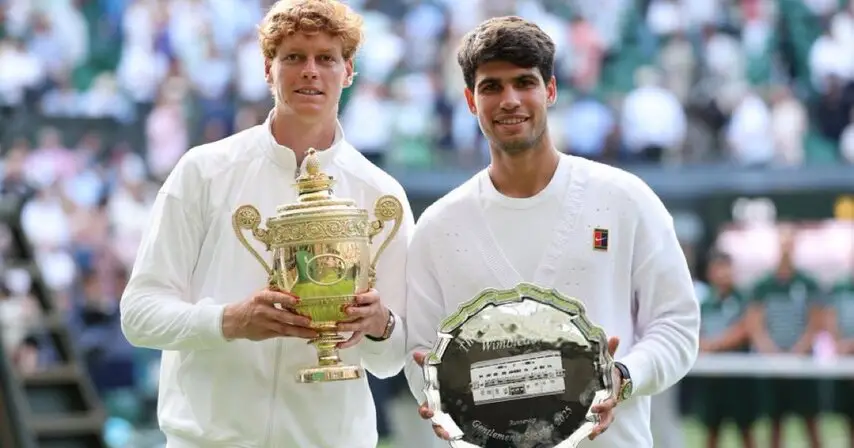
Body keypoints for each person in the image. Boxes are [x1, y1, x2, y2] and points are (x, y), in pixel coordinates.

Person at [119, 1, 414, 447]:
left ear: (348, 71)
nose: (310, 71)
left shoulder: (382, 194)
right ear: (267, 69)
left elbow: (393, 358)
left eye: (326, 58)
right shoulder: (203, 171)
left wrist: (379, 324)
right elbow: (138, 315)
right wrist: (229, 321)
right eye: (293, 56)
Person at [402, 16, 700, 447]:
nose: (510, 100)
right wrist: (442, 396)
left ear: (551, 90)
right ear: (470, 99)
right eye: (492, 87)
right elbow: (423, 357)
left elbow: (676, 325)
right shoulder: (438, 226)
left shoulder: (624, 199)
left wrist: (623, 377)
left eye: (524, 82)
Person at [746, 226, 825, 448]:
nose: (786, 248)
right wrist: (774, 355)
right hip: (773, 365)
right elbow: (755, 325)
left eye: (790, 243)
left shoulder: (808, 283)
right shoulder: (763, 285)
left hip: (803, 364)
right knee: (774, 424)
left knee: (811, 422)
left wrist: (797, 353)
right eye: (783, 243)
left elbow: (815, 323)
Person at [693, 250, 756, 448]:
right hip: (712, 377)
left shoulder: (743, 298)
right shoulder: (703, 302)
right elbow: (695, 332)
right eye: (718, 268)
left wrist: (715, 345)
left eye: (726, 268)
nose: (723, 273)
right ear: (710, 272)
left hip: (739, 377)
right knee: (712, 430)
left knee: (745, 430)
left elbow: (747, 328)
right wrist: (704, 345)